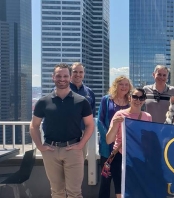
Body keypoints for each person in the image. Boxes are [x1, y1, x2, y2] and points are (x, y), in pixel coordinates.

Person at [30, 63, 94, 198]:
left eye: (65, 76)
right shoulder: (43, 101)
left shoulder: (81, 101)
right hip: (51, 150)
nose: (62, 79)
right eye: (58, 76)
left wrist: (81, 144)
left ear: (70, 78)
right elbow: (34, 125)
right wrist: (40, 146)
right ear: (53, 77)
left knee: (74, 193)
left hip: (73, 149)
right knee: (57, 191)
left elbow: (90, 125)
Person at [106, 88, 152, 198]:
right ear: (130, 98)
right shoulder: (119, 114)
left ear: (144, 100)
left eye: (141, 98)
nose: (138, 100)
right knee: (120, 192)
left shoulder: (147, 117)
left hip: (139, 159)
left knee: (137, 190)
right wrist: (115, 125)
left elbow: (149, 140)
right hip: (120, 157)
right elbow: (109, 140)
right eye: (135, 97)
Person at [97, 75, 132, 198]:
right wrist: (109, 137)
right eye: (121, 84)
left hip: (124, 148)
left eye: (126, 84)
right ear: (115, 85)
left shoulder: (131, 102)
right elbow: (99, 121)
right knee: (106, 180)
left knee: (122, 181)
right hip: (108, 149)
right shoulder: (107, 100)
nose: (123, 87)